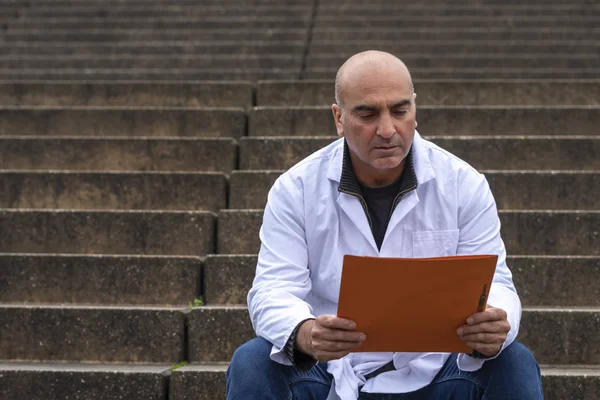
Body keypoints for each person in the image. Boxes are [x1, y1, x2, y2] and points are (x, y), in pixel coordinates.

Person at [226, 50, 543, 399]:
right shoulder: (296, 189)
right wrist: (306, 332)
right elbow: (272, 289)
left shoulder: (462, 183)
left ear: (415, 110)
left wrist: (496, 321)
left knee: (513, 361)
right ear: (339, 118)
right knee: (252, 361)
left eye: (400, 110)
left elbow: (496, 281)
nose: (388, 129)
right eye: (367, 114)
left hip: (437, 371)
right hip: (331, 370)